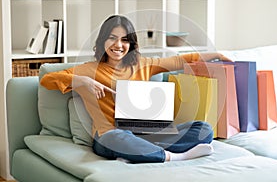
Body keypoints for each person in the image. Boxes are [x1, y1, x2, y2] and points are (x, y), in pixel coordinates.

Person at [40, 15, 231, 163]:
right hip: (109, 136)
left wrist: (218, 54)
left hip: (145, 133)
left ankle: (137, 152)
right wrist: (81, 81)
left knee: (203, 129)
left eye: (125, 40)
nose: (118, 45)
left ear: (131, 44)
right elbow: (47, 80)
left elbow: (182, 60)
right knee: (116, 137)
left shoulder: (142, 64)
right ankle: (171, 157)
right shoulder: (88, 69)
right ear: (102, 41)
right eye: (112, 38)